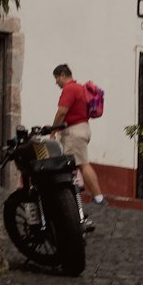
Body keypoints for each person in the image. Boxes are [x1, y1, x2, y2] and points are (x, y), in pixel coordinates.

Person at [52, 64, 105, 207]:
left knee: (82, 164)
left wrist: (52, 130)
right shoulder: (80, 88)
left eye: (56, 78)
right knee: (73, 164)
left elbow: (62, 112)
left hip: (74, 132)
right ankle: (74, 196)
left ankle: (99, 198)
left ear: (63, 75)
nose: (56, 82)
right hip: (82, 129)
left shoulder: (70, 89)